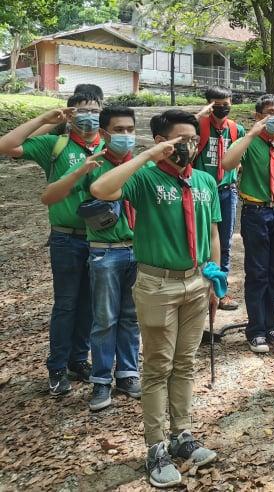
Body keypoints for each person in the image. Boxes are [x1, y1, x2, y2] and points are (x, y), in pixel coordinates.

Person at [91, 109, 221, 488]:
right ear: (162, 141)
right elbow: (101, 189)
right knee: (157, 367)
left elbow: (213, 231)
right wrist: (148, 156)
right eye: (180, 140)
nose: (188, 146)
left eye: (193, 139)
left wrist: (215, 276)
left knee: (185, 362)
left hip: (196, 282)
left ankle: (183, 434)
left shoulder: (204, 181)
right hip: (157, 285)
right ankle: (155, 446)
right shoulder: (145, 178)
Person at [0, 90, 104, 395]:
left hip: (101, 239)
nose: (89, 116)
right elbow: (6, 146)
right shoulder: (55, 144)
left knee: (89, 304)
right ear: (69, 115)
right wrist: (44, 120)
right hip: (66, 238)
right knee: (66, 304)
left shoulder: (110, 145)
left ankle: (78, 360)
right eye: (81, 111)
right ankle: (56, 367)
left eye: (95, 110)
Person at [41, 106, 141, 412]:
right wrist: (79, 172)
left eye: (130, 129)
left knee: (130, 317)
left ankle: (128, 373)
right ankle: (100, 380)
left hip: (137, 250)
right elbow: (51, 197)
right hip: (104, 250)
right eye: (119, 130)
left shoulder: (143, 164)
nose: (126, 135)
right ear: (105, 133)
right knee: (103, 319)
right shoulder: (94, 164)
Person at [221, 94, 274, 353]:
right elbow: (227, 163)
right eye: (270, 112)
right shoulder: (249, 144)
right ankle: (255, 330)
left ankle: (270, 326)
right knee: (257, 273)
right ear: (259, 116)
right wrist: (250, 135)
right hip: (256, 213)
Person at [194, 86, 246, 311]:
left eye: (226, 104)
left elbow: (241, 154)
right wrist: (199, 116)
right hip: (201, 192)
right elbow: (180, 137)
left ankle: (220, 290)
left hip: (226, 191)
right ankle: (197, 289)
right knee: (199, 239)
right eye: (217, 104)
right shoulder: (198, 126)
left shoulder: (236, 129)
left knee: (224, 242)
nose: (222, 108)